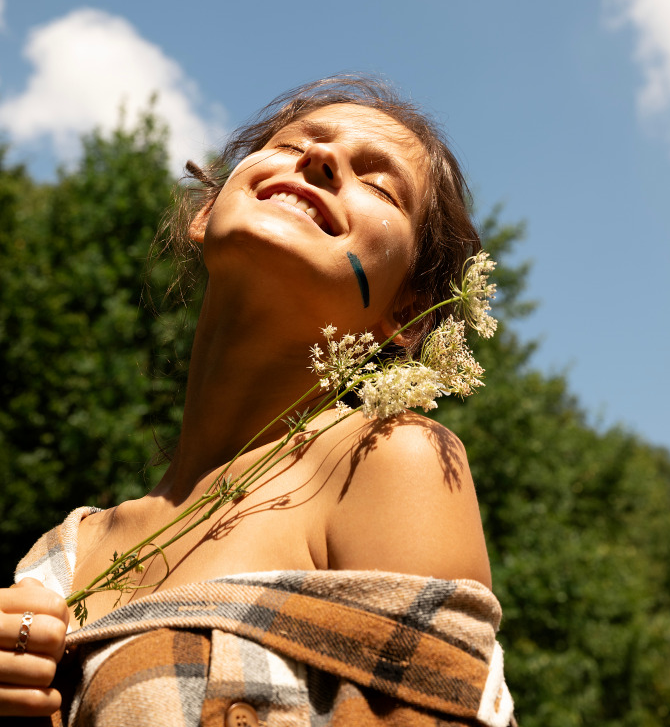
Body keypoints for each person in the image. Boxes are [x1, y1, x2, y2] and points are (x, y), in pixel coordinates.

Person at [3, 76, 515, 725]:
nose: (320, 160)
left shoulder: (387, 460)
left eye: (380, 183)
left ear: (410, 312)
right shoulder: (58, 555)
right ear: (205, 210)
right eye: (295, 143)